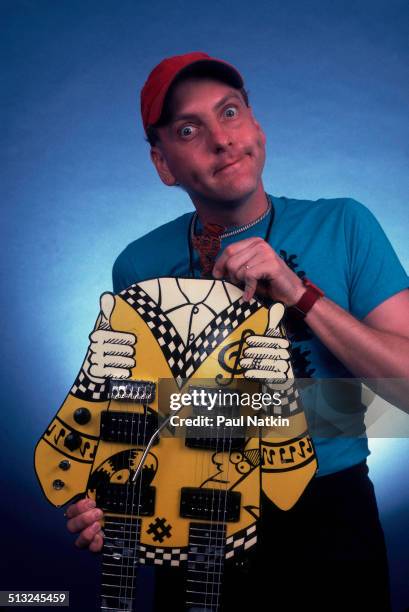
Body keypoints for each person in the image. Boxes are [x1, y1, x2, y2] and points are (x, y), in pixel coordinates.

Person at [65, 52, 409, 610]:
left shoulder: (345, 224)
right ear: (163, 164)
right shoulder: (137, 265)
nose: (221, 140)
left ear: (257, 128)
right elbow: (141, 421)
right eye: (187, 129)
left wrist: (300, 294)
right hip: (190, 519)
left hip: (329, 518)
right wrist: (110, 496)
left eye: (229, 113)